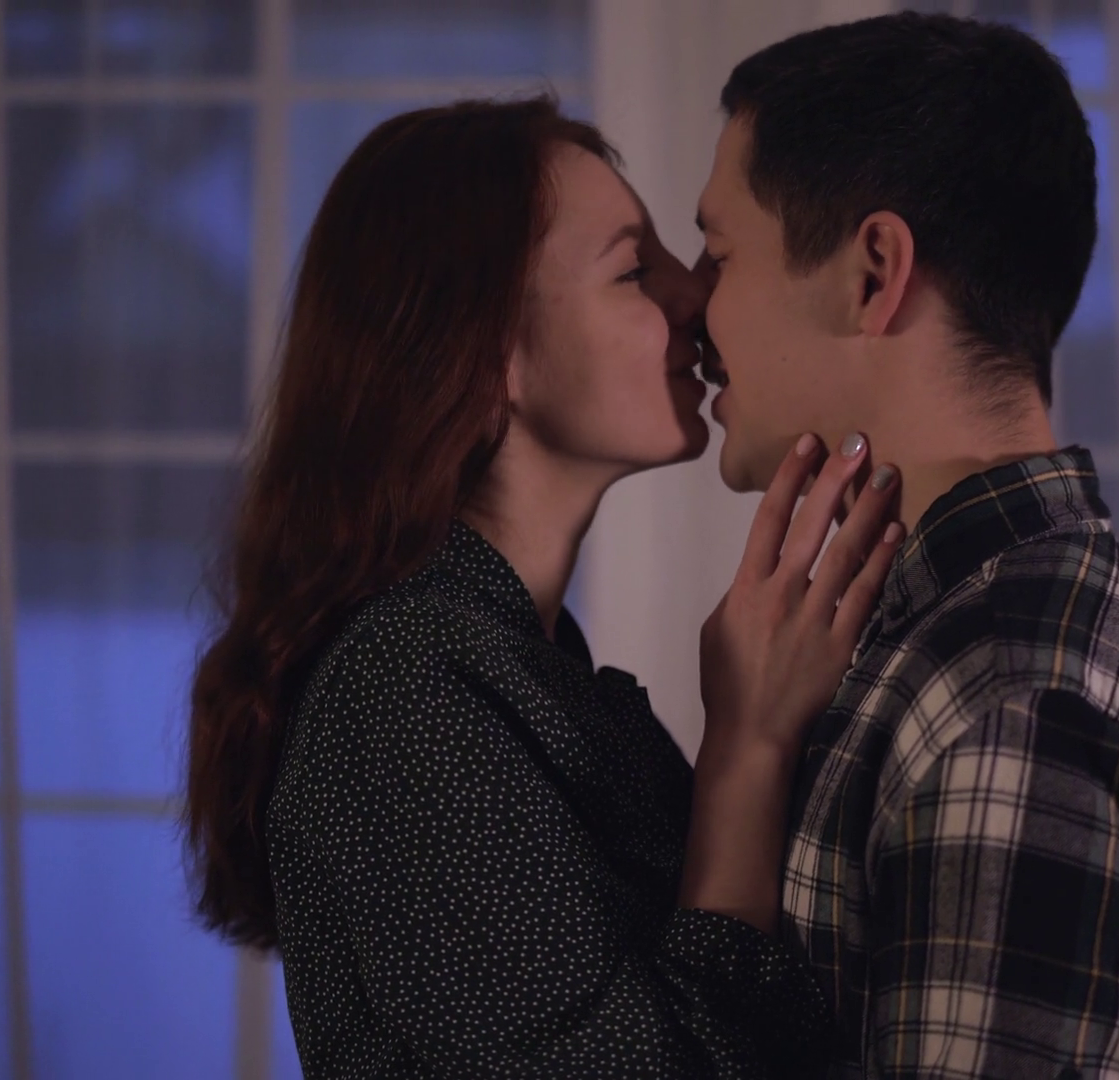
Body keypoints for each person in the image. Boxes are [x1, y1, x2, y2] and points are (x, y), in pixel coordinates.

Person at [182, 97, 903, 1078]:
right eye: (633, 270)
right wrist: (747, 745)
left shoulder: (512, 666)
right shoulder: (404, 693)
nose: (693, 296)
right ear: (489, 358)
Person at [691, 14, 1119, 1077]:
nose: (690, 303)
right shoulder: (949, 635)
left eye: (719, 255)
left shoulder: (1016, 691)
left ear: (873, 272)